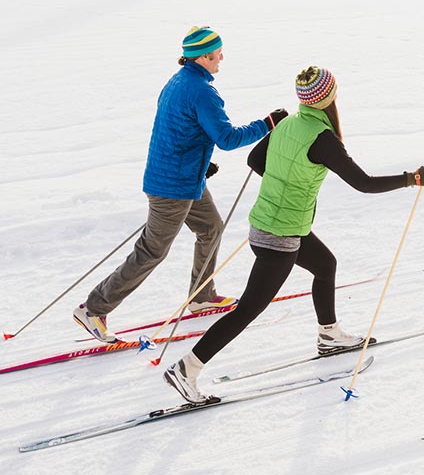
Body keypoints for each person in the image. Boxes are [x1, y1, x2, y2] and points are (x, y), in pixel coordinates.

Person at [163, 65, 424, 404]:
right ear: (328, 97)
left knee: (325, 265)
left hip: (273, 222)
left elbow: (255, 159)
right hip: (280, 235)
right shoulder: (323, 140)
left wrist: (286, 180)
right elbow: (363, 184)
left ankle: (329, 335)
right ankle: (186, 368)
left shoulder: (289, 123)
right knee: (248, 309)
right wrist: (413, 179)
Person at [73, 26, 287, 343]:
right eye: (217, 53)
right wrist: (268, 124)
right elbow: (227, 138)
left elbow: (178, 129)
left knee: (211, 226)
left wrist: (200, 163)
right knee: (151, 252)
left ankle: (201, 295)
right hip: (171, 186)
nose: (222, 58)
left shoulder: (179, 82)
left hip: (186, 178)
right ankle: (93, 309)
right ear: (202, 56)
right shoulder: (201, 91)